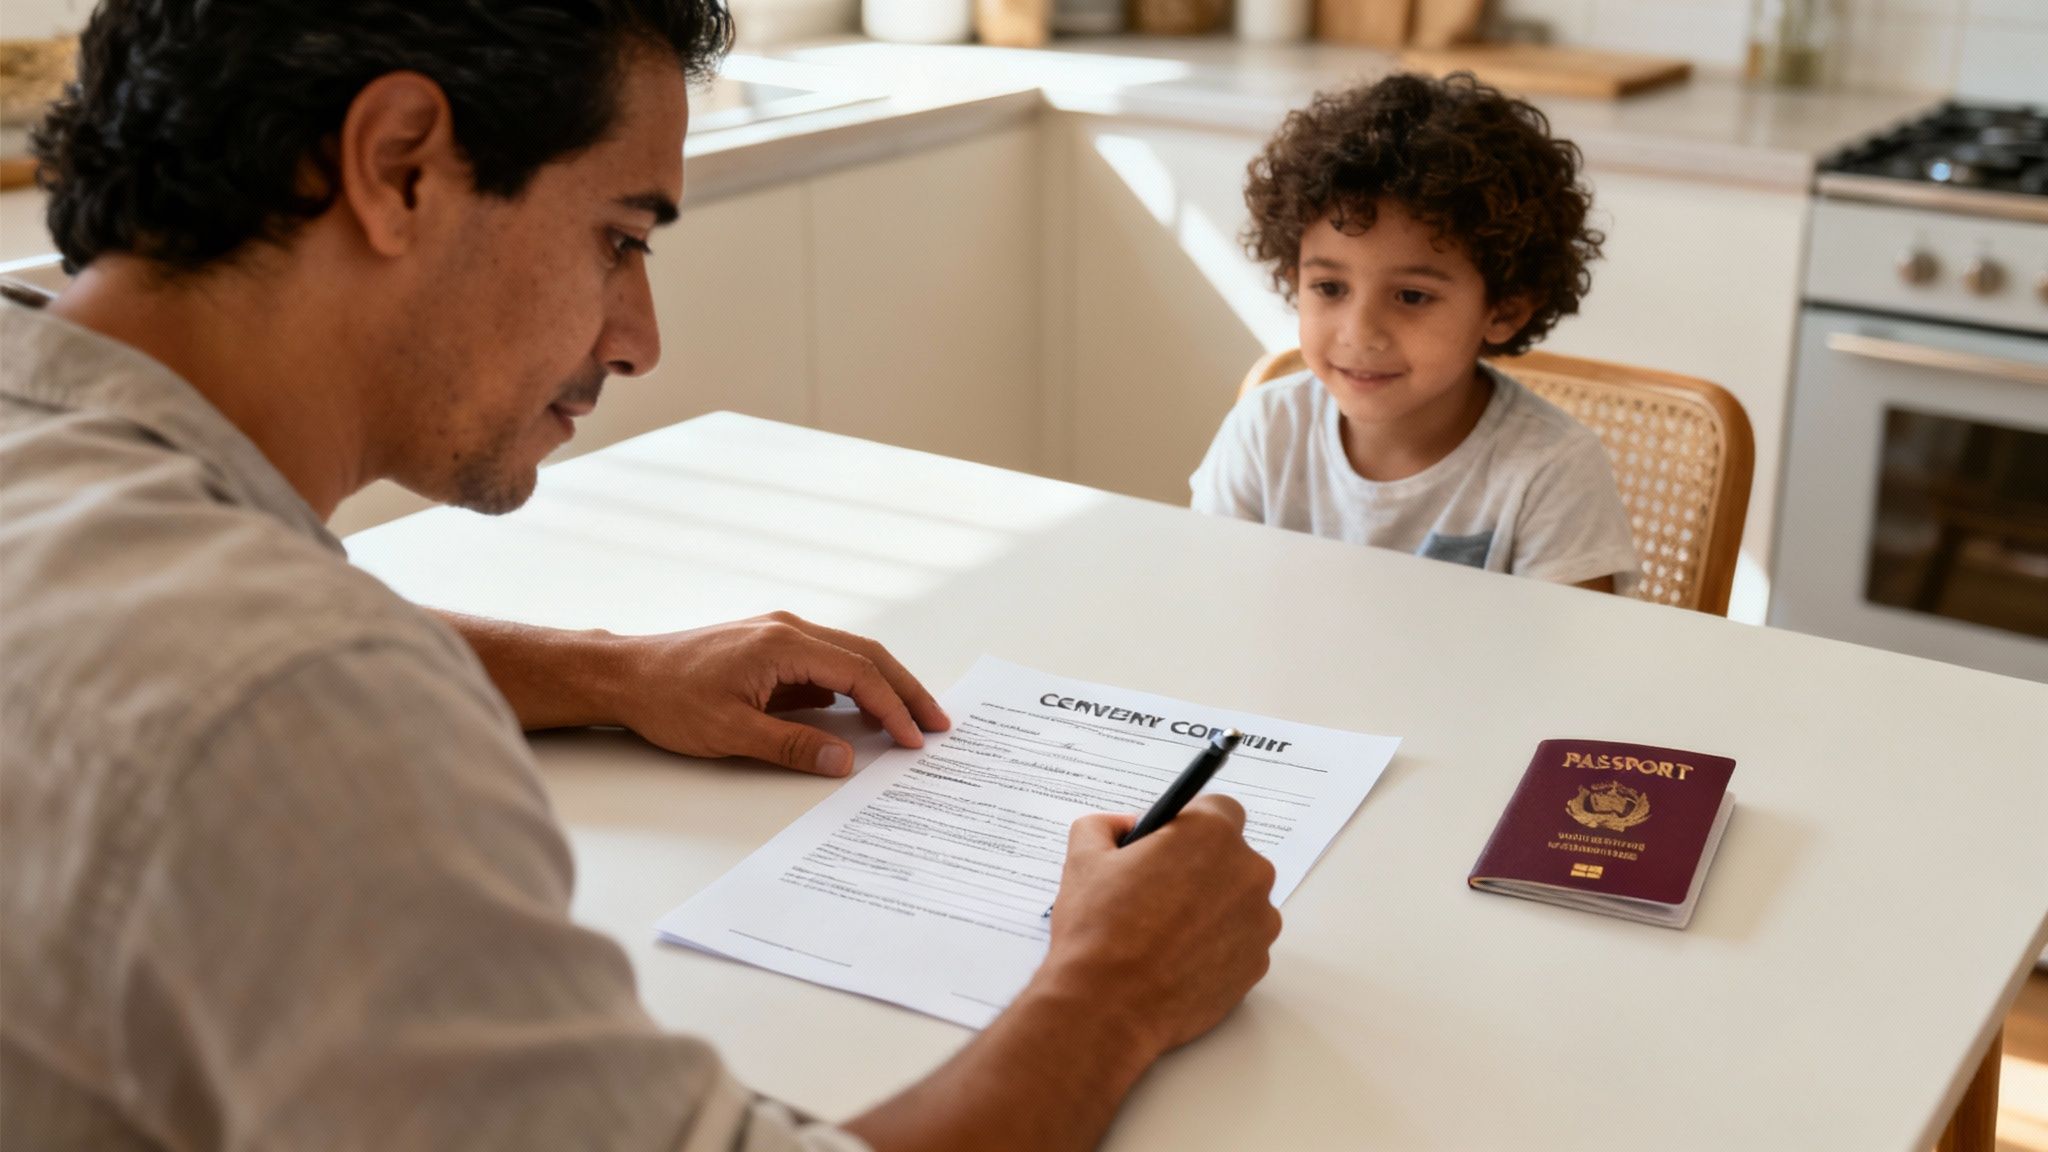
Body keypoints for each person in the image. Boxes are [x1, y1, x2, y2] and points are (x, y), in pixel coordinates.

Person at [0, 3, 1281, 1150]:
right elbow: (269, 690)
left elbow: (190, 638)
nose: (640, 339)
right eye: (619, 236)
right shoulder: (305, 708)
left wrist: (611, 671)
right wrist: (1110, 990)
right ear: (398, 168)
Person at [1190, 73, 1640, 594]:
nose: (1360, 333)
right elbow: (1212, 612)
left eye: (1410, 297)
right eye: (1330, 287)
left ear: (1505, 309)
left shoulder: (1551, 470)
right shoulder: (1263, 433)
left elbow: (1570, 665)